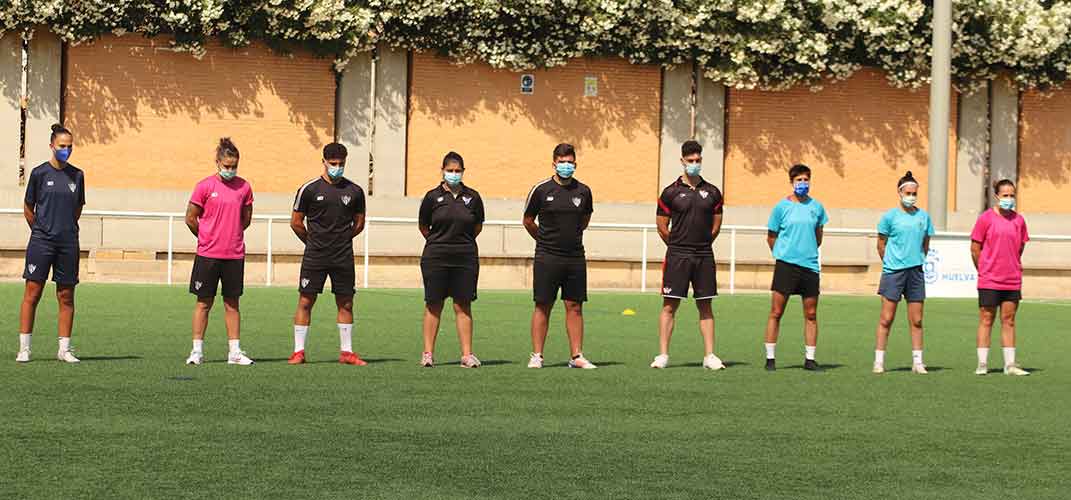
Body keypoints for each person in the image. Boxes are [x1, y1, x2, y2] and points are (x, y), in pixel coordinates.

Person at [288, 143, 368, 365]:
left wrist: (342, 240)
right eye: (333, 164)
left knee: (346, 303)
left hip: (342, 255)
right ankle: (298, 352)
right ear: (323, 161)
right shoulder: (309, 189)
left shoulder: (355, 191)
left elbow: (359, 223)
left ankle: (347, 352)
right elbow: (296, 222)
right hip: (315, 255)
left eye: (341, 164)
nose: (337, 167)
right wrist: (313, 242)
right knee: (306, 301)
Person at [650, 140, 726, 370]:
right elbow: (662, 225)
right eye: (690, 160)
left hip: (703, 255)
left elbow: (716, 225)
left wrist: (702, 244)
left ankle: (710, 355)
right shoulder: (670, 192)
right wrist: (676, 245)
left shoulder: (712, 192)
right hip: (677, 256)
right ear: (682, 161)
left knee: (705, 305)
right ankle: (663, 355)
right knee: (669, 306)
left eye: (698, 160)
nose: (694, 164)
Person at [16, 124, 86, 363]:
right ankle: (25, 348)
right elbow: (28, 208)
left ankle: (64, 349)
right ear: (51, 146)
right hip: (41, 242)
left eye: (69, 146)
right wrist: (41, 230)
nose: (66, 150)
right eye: (62, 146)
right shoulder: (39, 174)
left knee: (66, 295)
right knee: (32, 293)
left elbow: (76, 209)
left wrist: (64, 230)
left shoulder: (77, 175)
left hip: (68, 243)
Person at [522, 143, 597, 369]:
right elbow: (528, 220)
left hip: (574, 256)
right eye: (562, 161)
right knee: (543, 304)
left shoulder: (583, 191)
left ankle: (576, 356)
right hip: (547, 256)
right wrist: (544, 240)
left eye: (570, 162)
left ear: (575, 164)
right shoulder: (541, 190)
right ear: (554, 163)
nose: (566, 165)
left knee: (574, 305)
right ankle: (537, 355)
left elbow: (584, 221)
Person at [184, 138, 255, 366]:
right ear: (217, 163)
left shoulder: (244, 187)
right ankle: (197, 351)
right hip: (208, 255)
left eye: (234, 166)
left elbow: (246, 219)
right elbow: (191, 218)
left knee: (232, 303)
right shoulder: (204, 186)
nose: (230, 170)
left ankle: (234, 352)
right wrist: (207, 236)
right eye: (226, 166)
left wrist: (230, 235)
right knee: (203, 302)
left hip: (234, 255)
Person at [417, 152, 485, 368]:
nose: (454, 174)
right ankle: (428, 354)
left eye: (458, 171)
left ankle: (466, 354)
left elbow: (477, 227)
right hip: (435, 257)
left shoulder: (473, 197)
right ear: (443, 171)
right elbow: (424, 226)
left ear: (463, 172)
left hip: (465, 258)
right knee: (434, 304)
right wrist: (440, 242)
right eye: (450, 171)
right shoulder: (431, 197)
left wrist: (460, 243)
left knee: (463, 305)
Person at [764, 163, 828, 371]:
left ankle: (810, 359)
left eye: (806, 179)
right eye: (799, 180)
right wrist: (784, 254)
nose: (803, 183)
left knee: (811, 314)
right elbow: (771, 237)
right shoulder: (781, 208)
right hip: (786, 266)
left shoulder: (816, 207)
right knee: (776, 312)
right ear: (791, 182)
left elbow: (818, 236)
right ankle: (770, 358)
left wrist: (806, 251)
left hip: (809, 267)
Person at [872, 171, 934, 374]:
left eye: (914, 193)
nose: (911, 196)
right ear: (900, 193)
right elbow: (881, 244)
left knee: (917, 320)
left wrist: (916, 260)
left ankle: (917, 362)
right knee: (886, 318)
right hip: (893, 273)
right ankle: (879, 361)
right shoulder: (890, 217)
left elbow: (925, 243)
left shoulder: (923, 217)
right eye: (908, 192)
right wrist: (891, 263)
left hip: (915, 272)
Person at [970, 179, 1030, 376]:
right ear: (996, 196)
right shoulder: (985, 219)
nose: (1009, 199)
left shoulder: (1019, 220)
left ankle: (1010, 365)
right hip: (989, 280)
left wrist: (1011, 265)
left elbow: (1020, 247)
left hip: (1012, 279)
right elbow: (975, 248)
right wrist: (984, 270)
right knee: (987, 319)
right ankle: (982, 364)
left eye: (1012, 195)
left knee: (1009, 320)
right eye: (1005, 195)